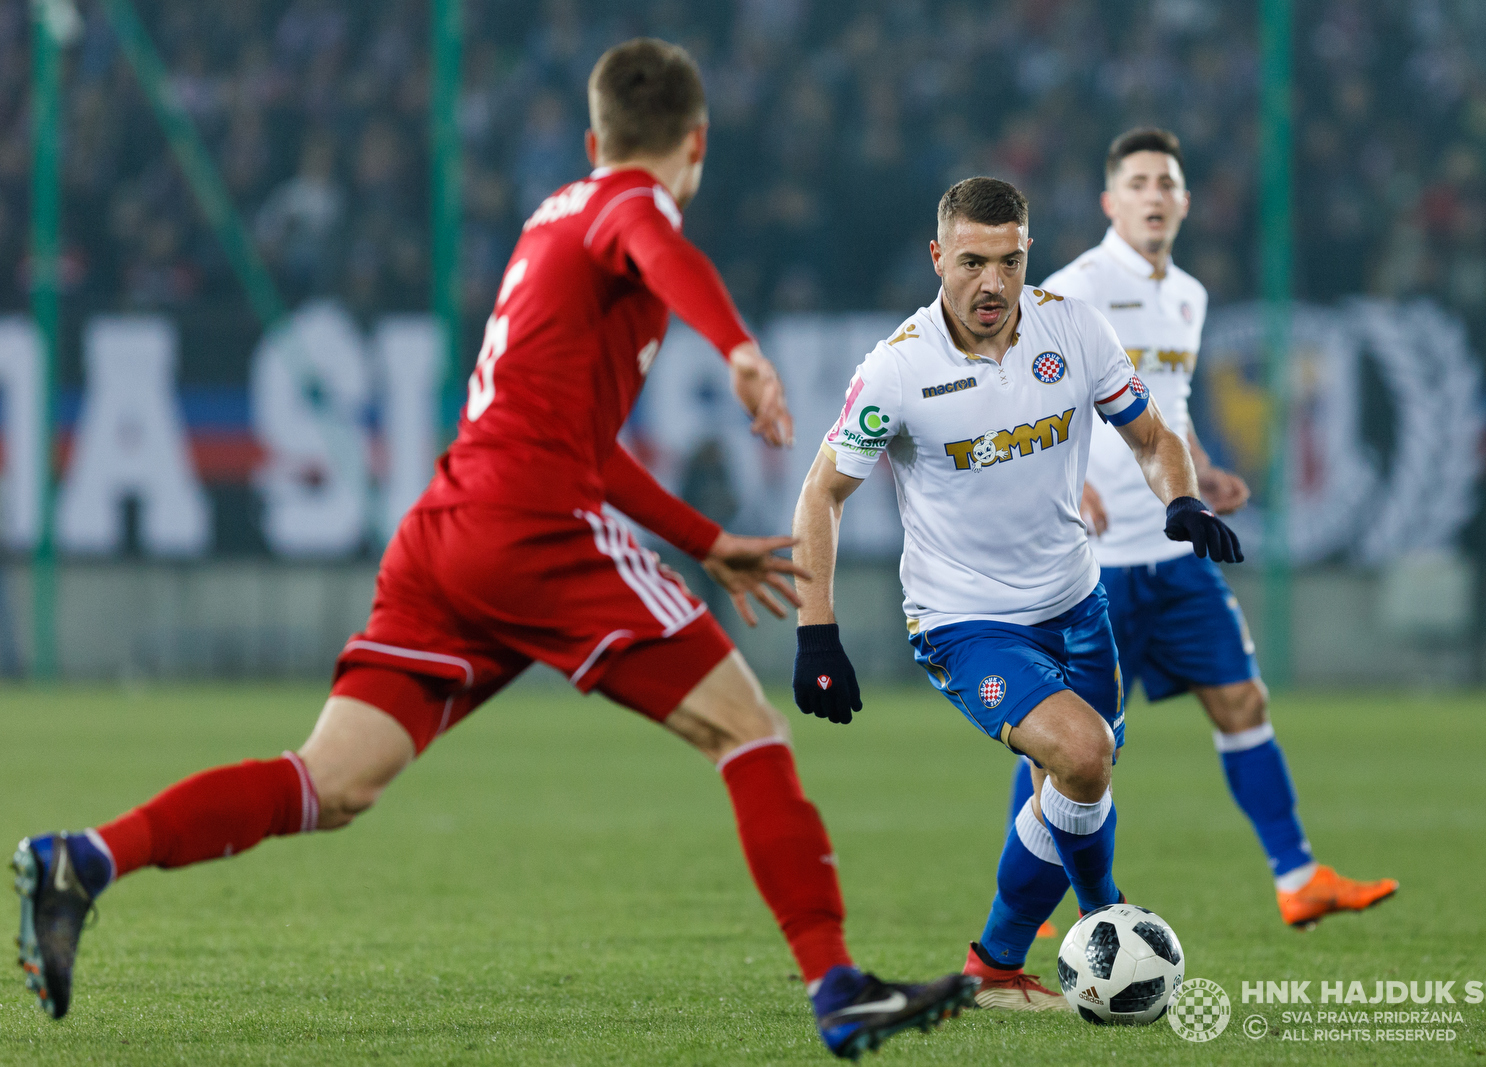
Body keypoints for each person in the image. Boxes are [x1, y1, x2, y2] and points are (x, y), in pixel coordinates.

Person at [13, 39, 974, 1058]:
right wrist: (736, 347)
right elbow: (660, 249)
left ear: (591, 133)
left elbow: (582, 438)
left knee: (329, 780)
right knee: (747, 731)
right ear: (696, 143)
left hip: (449, 529)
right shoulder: (629, 208)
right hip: (536, 529)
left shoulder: (551, 216)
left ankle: (85, 857)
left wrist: (703, 540)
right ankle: (836, 984)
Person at [788, 176, 1241, 1014]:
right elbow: (823, 493)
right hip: (966, 621)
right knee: (1082, 754)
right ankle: (1101, 916)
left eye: (1008, 261)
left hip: (1077, 602)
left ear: (1026, 252)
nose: (991, 283)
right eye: (971, 262)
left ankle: (997, 965)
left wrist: (1179, 499)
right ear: (938, 257)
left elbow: (1150, 434)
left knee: (1076, 781)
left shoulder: (1073, 328)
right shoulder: (899, 366)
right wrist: (818, 634)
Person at [1023, 127, 1397, 934]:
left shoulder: (1188, 296)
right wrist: (1075, 479)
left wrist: (1196, 471)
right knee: (1073, 738)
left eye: (1167, 182)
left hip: (1172, 548)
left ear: (1186, 203)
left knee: (1242, 699)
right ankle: (1041, 901)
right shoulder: (1069, 289)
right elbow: (1024, 400)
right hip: (1094, 564)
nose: (1155, 194)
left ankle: (1299, 878)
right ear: (1109, 202)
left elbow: (1167, 407)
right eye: (1140, 182)